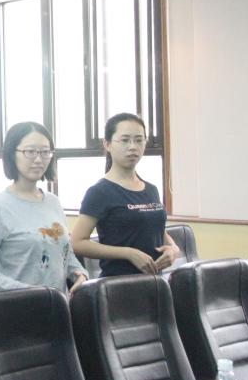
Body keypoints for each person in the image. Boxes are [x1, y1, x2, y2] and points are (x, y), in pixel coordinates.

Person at [0, 121, 88, 294]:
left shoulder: (53, 202)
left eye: (45, 152)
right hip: (16, 305)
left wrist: (80, 273)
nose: (39, 159)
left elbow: (65, 253)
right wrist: (25, 291)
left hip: (57, 305)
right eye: (30, 152)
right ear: (12, 154)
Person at [71, 112, 179, 276]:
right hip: (118, 283)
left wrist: (173, 248)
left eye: (139, 140)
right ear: (107, 144)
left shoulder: (151, 189)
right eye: (125, 140)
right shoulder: (99, 192)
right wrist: (128, 253)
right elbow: (77, 242)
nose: (132, 146)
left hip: (155, 282)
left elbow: (157, 230)